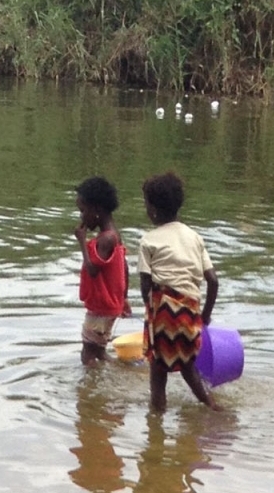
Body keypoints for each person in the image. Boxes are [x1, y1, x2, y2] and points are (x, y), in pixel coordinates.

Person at [137, 171, 222, 412]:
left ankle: (156, 418)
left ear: (152, 210)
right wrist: (204, 315)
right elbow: (213, 281)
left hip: (163, 310)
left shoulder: (148, 241)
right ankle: (211, 406)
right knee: (187, 366)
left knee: (157, 370)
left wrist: (152, 314)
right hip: (189, 311)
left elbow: (145, 287)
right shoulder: (194, 237)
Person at [75, 176, 133, 365]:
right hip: (108, 306)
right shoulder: (114, 235)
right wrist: (124, 298)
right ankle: (123, 369)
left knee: (88, 355)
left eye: (83, 211)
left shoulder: (106, 240)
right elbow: (124, 267)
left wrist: (82, 242)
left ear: (97, 210)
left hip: (101, 308)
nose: (82, 217)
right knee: (99, 351)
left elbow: (92, 270)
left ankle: (94, 390)